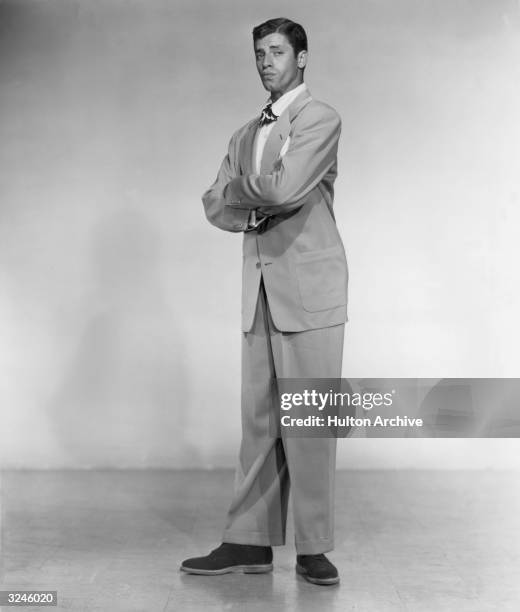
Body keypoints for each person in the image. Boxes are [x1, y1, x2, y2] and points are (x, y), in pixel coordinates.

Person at [180, 17, 348, 586]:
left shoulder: (319, 118)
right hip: (258, 293)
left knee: (310, 423)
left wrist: (243, 193)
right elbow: (213, 203)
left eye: (276, 51)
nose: (265, 61)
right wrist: (249, 196)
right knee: (259, 423)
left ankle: (314, 548)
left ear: (301, 58)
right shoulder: (243, 133)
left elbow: (286, 187)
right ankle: (247, 542)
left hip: (309, 292)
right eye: (259, 52)